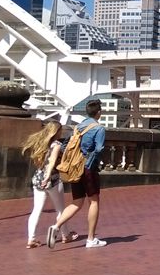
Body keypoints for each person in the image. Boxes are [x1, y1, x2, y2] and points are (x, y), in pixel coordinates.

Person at [48, 101, 108, 248]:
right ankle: (91, 239)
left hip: (74, 168)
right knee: (93, 201)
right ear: (98, 112)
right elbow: (99, 149)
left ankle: (56, 226)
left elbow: (64, 145)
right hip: (88, 168)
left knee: (77, 202)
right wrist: (91, 162)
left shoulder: (78, 127)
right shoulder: (99, 128)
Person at [23, 120, 75, 249]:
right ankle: (65, 234)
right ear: (56, 131)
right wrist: (48, 176)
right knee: (61, 209)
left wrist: (43, 175)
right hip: (53, 178)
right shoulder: (56, 144)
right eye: (60, 131)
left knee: (36, 210)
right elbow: (52, 162)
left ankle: (31, 239)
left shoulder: (39, 143)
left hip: (38, 178)